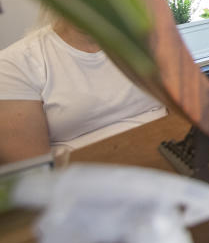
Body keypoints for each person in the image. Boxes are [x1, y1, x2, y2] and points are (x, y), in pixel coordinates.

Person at [0, 17, 166, 163]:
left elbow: (181, 109)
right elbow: (34, 176)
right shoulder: (15, 64)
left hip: (174, 161)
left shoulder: (148, 39)